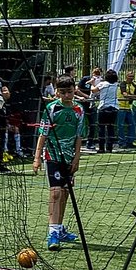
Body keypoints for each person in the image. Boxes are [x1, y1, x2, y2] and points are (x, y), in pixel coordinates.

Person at [31, 77, 85, 250]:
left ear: (74, 90)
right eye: (63, 92)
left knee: (65, 192)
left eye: (69, 91)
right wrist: (37, 157)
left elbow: (78, 137)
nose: (67, 95)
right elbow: (43, 135)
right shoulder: (51, 108)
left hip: (69, 157)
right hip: (52, 154)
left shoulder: (79, 110)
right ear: (57, 92)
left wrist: (76, 158)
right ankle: (52, 233)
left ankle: (60, 228)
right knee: (55, 192)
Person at [93, 69, 120, 153]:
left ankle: (101, 148)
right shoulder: (116, 85)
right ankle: (109, 147)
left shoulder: (102, 84)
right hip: (114, 108)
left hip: (103, 107)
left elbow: (94, 90)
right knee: (110, 128)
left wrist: (92, 83)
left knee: (101, 128)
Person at [117, 70, 136, 149]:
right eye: (129, 76)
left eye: (132, 76)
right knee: (121, 126)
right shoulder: (123, 84)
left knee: (132, 124)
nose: (131, 78)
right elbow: (125, 95)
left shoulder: (133, 85)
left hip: (128, 108)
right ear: (126, 76)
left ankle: (130, 141)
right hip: (121, 107)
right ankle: (121, 142)